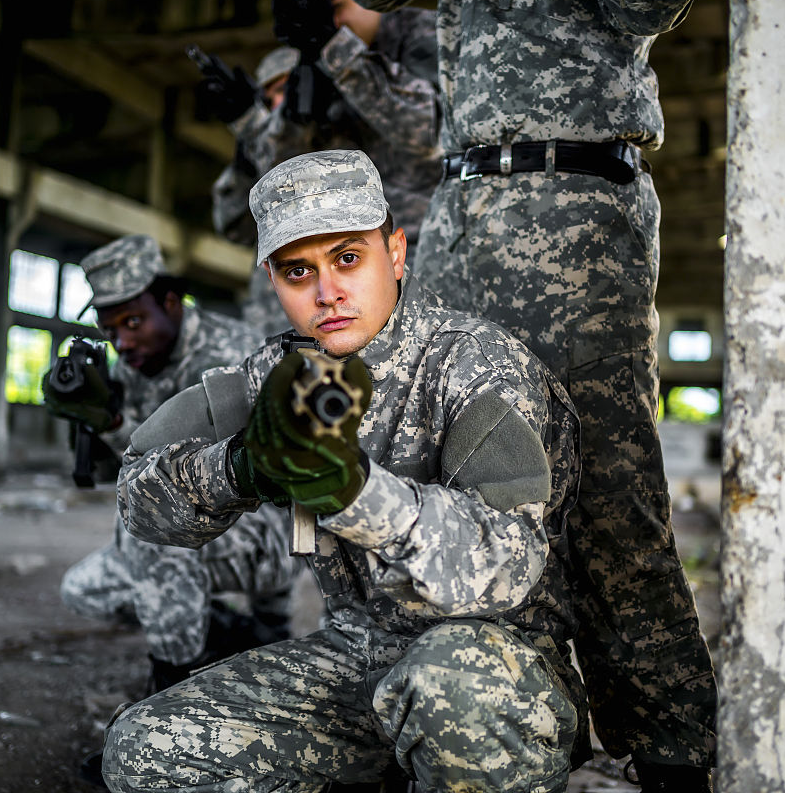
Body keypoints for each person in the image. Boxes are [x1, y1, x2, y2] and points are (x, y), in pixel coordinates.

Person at [101, 149, 590, 792]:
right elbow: (138, 494)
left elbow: (507, 566)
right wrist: (241, 470)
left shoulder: (476, 365)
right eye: (297, 271)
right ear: (273, 281)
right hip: (360, 659)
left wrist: (357, 492)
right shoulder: (271, 376)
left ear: (396, 253)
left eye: (348, 259)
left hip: (495, 670)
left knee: (447, 686)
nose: (327, 293)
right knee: (141, 752)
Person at [344, 0, 718, 790]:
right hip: (459, 207)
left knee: (609, 496)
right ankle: (494, 732)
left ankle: (672, 756)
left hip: (572, 197)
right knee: (441, 474)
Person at [45, 234, 302, 694]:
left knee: (155, 539)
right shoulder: (130, 366)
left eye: (134, 321)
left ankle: (169, 696)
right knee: (83, 590)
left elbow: (199, 480)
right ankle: (229, 637)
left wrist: (116, 424)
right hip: (196, 529)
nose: (123, 342)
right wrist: (95, 420)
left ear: (172, 303)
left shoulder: (233, 357)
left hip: (272, 535)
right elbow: (124, 474)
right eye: (111, 330)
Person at [201, 0, 441, 336]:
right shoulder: (303, 109)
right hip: (309, 309)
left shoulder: (411, 35)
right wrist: (249, 127)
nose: (278, 104)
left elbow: (426, 132)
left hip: (406, 273)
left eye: (284, 90)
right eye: (269, 99)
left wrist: (336, 50)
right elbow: (256, 211)